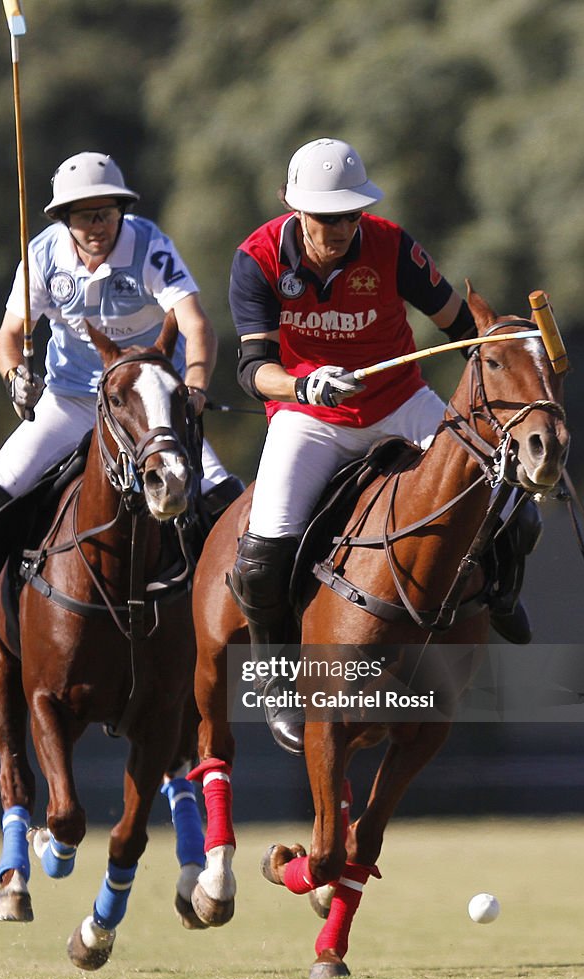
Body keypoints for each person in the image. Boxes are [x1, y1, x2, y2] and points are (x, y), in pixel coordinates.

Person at [228, 137, 538, 754]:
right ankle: (280, 685)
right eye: (326, 217)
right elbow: (251, 367)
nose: (340, 228)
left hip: (400, 404)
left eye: (349, 215)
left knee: (515, 508)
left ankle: (499, 593)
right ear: (297, 212)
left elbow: (461, 327)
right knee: (260, 561)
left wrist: (508, 341)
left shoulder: (391, 246)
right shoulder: (257, 258)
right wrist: (304, 382)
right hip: (308, 414)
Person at [0, 151, 242, 673]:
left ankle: (242, 635)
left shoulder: (151, 247)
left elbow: (195, 324)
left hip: (145, 404)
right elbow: (9, 338)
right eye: (86, 215)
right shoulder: (41, 255)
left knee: (225, 501)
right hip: (71, 400)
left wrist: (194, 383)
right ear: (65, 219)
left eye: (107, 212)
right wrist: (16, 376)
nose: (99, 225)